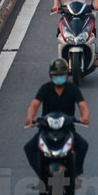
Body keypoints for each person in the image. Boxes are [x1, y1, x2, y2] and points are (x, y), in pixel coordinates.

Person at [24, 58, 90, 187]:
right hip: (46, 129)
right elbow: (34, 105)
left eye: (62, 75)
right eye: (56, 75)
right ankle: (42, 177)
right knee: (29, 148)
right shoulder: (45, 89)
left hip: (67, 129)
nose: (59, 78)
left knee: (82, 145)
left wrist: (85, 116)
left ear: (67, 75)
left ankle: (75, 174)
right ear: (51, 76)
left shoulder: (72, 89)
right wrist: (30, 117)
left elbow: (82, 106)